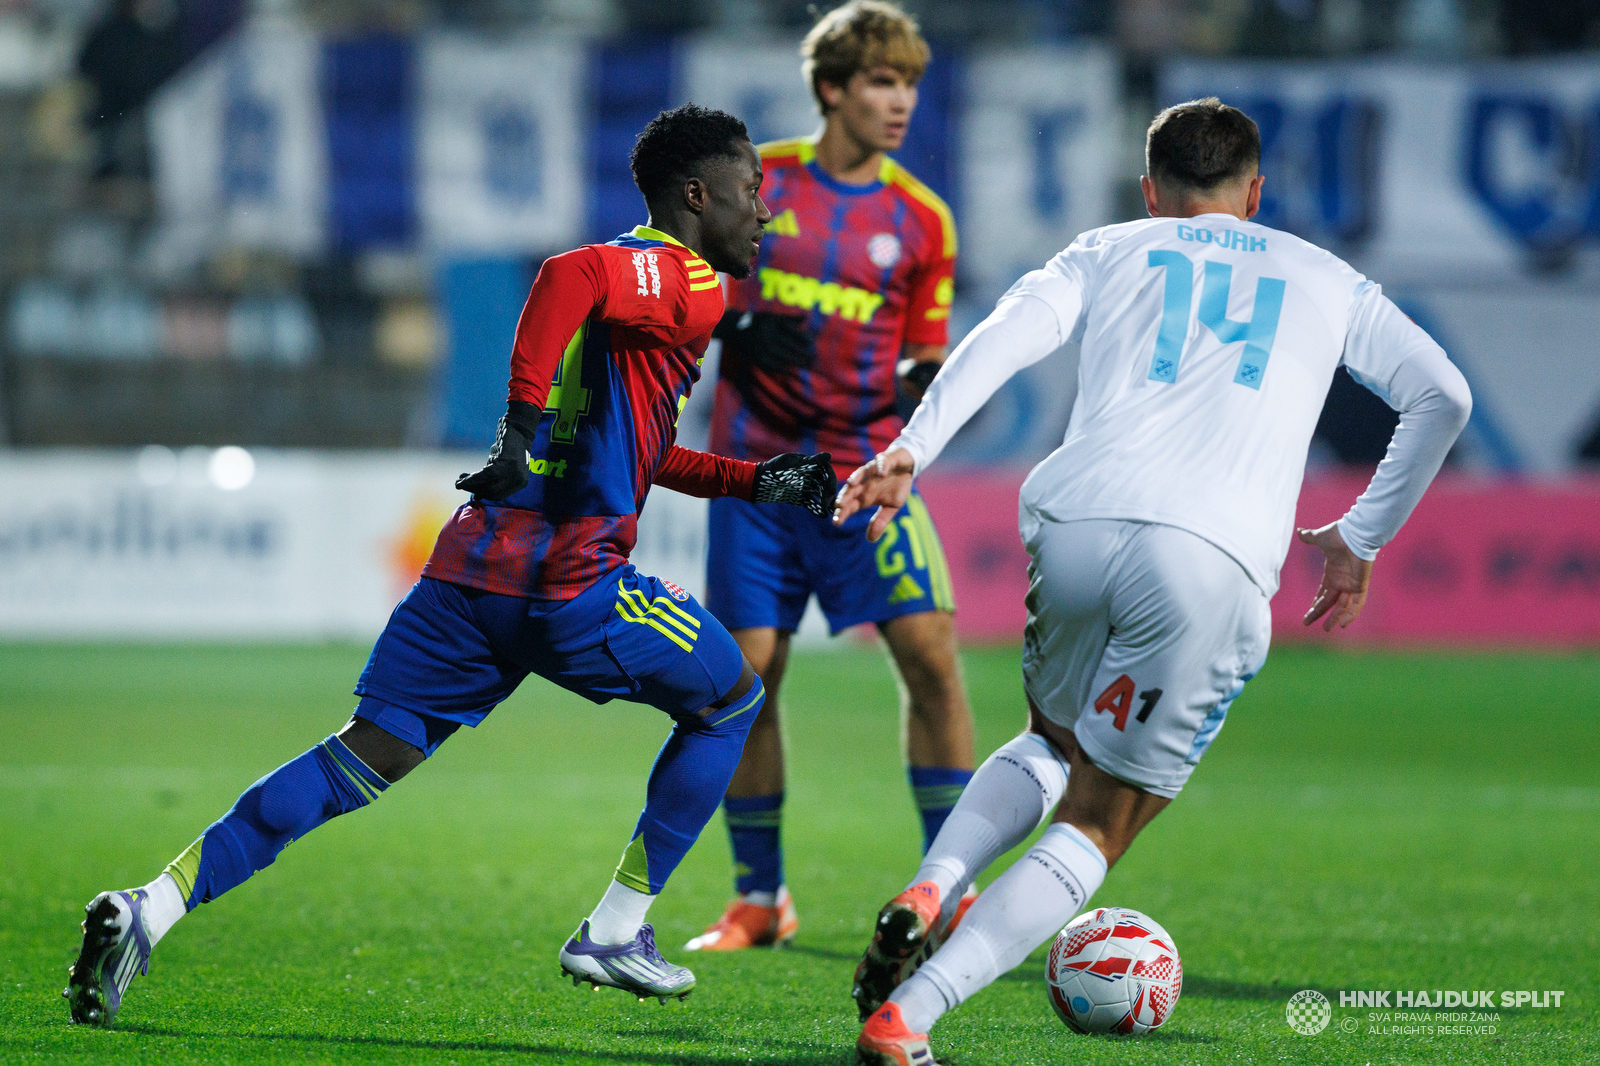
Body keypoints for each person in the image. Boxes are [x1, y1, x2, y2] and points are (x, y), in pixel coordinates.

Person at [63, 104, 839, 1029]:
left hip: (470, 578)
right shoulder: (681, 276)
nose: (767, 213)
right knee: (732, 702)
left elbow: (639, 451)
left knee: (363, 757)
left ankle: (147, 908)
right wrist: (513, 426)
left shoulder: (658, 305)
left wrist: (756, 481)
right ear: (696, 195)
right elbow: (567, 274)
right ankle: (616, 927)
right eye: (754, 191)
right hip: (571, 584)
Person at [837, 98, 1473, 1064]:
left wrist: (910, 449)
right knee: (1101, 819)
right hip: (1208, 559)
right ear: (1255, 193)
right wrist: (1359, 534)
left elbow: (1007, 333)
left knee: (1049, 737)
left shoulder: (1108, 247)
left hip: (1077, 520)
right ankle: (908, 1017)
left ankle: (936, 879)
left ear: (1151, 190)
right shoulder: (1326, 277)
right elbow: (1445, 395)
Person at [688, 0, 977, 955]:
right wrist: (734, 326)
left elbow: (926, 351)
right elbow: (670, 288)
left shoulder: (923, 220)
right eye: (881, 83)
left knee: (932, 659)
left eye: (909, 85)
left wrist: (928, 386)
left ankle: (949, 887)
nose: (900, 103)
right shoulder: (756, 182)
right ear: (833, 90)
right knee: (748, 680)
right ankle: (758, 898)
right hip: (762, 476)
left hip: (864, 473)